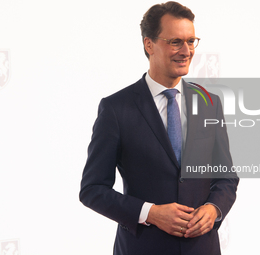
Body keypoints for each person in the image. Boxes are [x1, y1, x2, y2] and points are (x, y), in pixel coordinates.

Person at [79, 2, 239, 255]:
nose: (186, 51)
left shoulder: (210, 103)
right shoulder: (115, 108)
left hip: (202, 248)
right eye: (175, 41)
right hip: (142, 247)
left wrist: (213, 209)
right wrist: (150, 213)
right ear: (149, 44)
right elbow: (92, 189)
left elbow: (226, 176)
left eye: (191, 41)